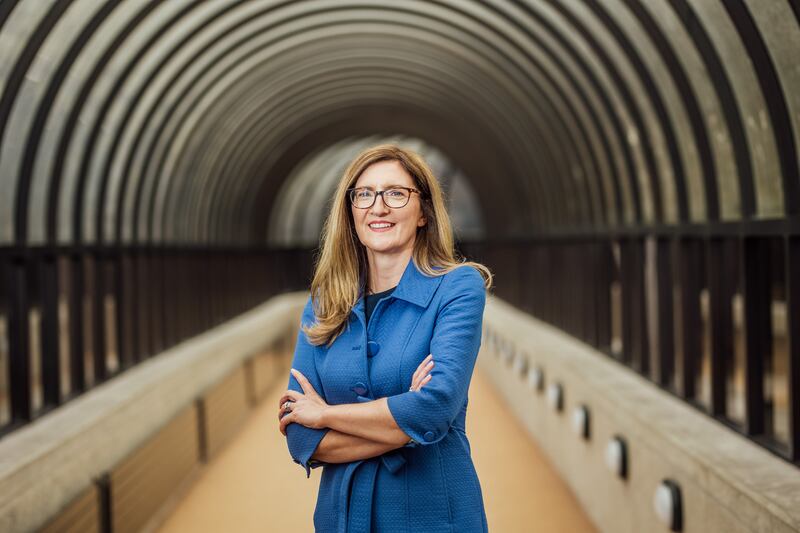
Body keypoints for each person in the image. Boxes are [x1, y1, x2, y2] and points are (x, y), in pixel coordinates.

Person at [277, 144, 493, 532]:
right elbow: (299, 437)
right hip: (341, 520)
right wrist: (405, 427)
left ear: (424, 211)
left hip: (433, 517)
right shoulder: (325, 302)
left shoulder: (458, 288)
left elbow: (434, 408)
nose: (378, 207)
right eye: (364, 194)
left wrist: (325, 414)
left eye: (396, 193)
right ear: (351, 212)